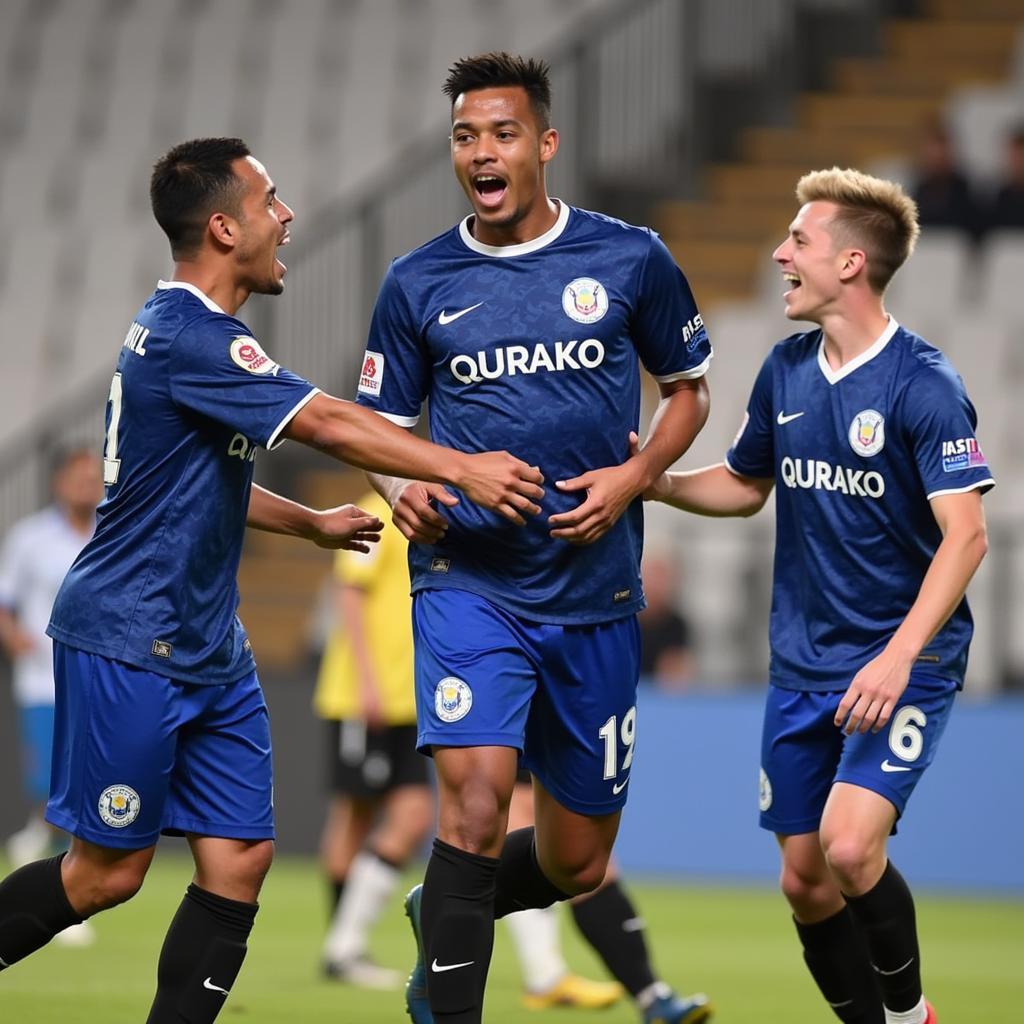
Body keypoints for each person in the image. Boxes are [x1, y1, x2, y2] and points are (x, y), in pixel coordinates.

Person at [0, 136, 544, 1024]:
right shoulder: (192, 335)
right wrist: (461, 468)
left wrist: (313, 524)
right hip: (130, 638)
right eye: (270, 202)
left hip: (211, 646)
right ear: (223, 227)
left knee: (240, 862)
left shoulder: (191, 338)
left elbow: (194, 482)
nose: (286, 216)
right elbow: (330, 421)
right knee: (105, 876)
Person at [356, 53, 713, 1024]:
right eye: (466, 136)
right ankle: (447, 1000)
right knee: (473, 806)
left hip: (594, 593)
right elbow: (378, 428)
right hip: (468, 582)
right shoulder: (415, 279)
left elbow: (688, 392)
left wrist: (636, 478)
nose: (482, 150)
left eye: (502, 133)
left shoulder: (628, 259)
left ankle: (453, 905)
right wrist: (403, 486)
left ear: (544, 144)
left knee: (573, 858)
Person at [643, 167, 993, 1024]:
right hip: (803, 663)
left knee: (846, 846)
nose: (779, 254)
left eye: (799, 241)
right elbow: (743, 483)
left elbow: (969, 535)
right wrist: (648, 476)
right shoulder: (788, 369)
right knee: (804, 880)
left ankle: (911, 1018)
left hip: (902, 662)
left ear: (852, 263)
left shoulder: (923, 384)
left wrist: (899, 658)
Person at [316, 489, 434, 990]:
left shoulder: (430, 512)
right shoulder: (379, 509)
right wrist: (367, 681)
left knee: (389, 816)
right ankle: (343, 946)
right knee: (361, 815)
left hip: (407, 700)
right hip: (368, 699)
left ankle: (343, 945)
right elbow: (350, 591)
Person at [0, 448, 103, 948]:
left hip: (98, 679)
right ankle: (55, 879)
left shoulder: (115, 529)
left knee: (81, 782)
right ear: (59, 481)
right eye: (79, 477)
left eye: (94, 477)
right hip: (43, 679)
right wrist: (14, 637)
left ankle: (39, 853)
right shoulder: (30, 538)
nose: (88, 485)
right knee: (53, 782)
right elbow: (5, 599)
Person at [637, 553, 694, 690]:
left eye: (661, 579)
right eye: (651, 578)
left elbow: (676, 675)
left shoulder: (676, 624)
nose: (656, 585)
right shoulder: (624, 623)